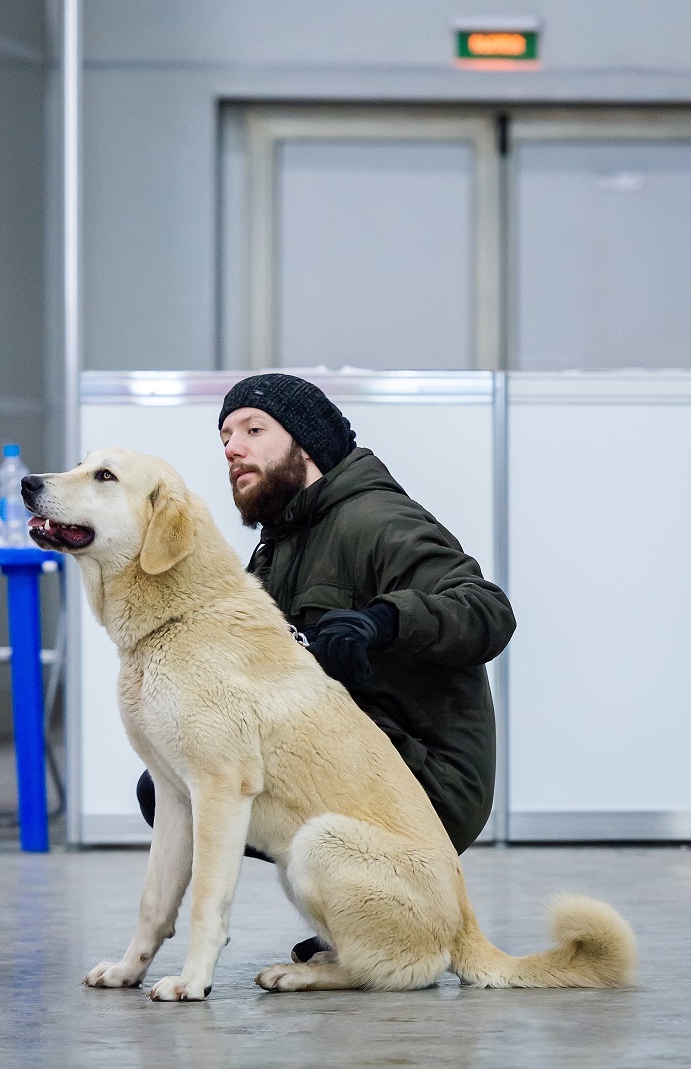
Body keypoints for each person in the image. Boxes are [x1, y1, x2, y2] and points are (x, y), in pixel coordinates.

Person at [136, 372, 516, 961]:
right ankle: (361, 918)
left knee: (206, 782)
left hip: (426, 778)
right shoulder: (280, 543)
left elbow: (488, 610)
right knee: (173, 781)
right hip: (356, 759)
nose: (233, 448)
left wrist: (381, 622)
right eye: (225, 437)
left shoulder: (377, 519)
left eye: (254, 430)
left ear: (306, 445)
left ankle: (381, 913)